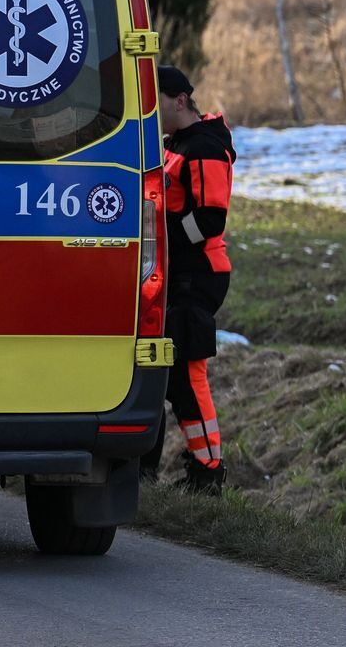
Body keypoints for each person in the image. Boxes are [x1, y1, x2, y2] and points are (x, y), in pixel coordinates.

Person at [150, 64, 235, 496]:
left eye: (156, 99)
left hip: (198, 275)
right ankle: (179, 466)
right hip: (177, 273)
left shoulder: (203, 147)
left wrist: (167, 239)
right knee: (165, 374)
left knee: (186, 373)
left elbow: (211, 218)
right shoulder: (176, 144)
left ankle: (208, 471)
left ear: (179, 100)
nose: (151, 108)